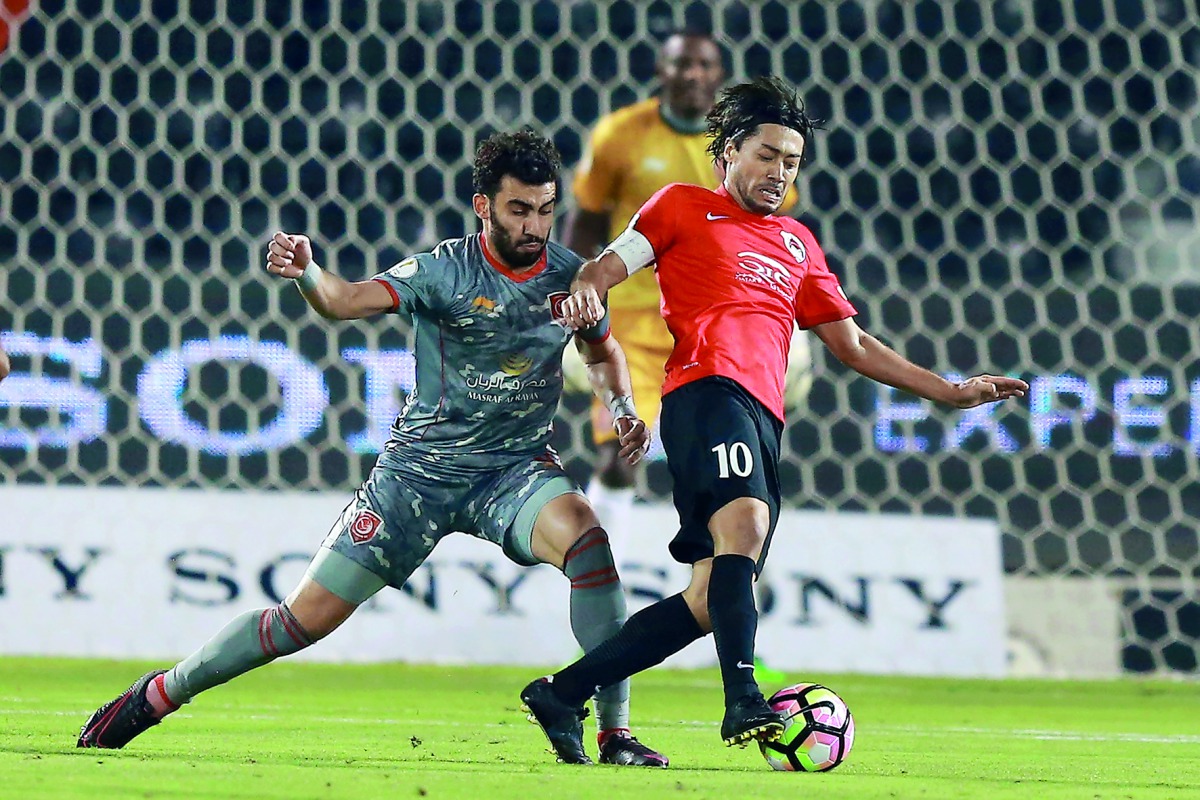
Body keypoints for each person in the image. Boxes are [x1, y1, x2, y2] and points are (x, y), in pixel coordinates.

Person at [77, 130, 668, 768]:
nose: (534, 225)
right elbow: (344, 301)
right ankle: (160, 693)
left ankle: (615, 735)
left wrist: (624, 408)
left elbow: (602, 351)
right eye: (519, 210)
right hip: (417, 477)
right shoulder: (442, 270)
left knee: (589, 545)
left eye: (545, 209)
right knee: (299, 621)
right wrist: (307, 272)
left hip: (514, 471)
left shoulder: (566, 278)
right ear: (483, 207)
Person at [519, 77, 1029, 753]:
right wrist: (585, 290)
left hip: (764, 417)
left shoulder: (797, 243)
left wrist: (948, 390)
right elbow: (608, 266)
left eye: (790, 162)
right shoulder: (681, 207)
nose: (778, 172)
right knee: (747, 522)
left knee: (706, 600)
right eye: (766, 155)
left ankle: (561, 694)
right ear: (729, 153)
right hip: (706, 395)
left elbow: (852, 343)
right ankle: (743, 699)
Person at [564, 30, 810, 556]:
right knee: (618, 458)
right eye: (682, 64)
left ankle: (720, 599)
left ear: (717, 75)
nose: (692, 75)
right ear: (662, 70)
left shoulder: (753, 147)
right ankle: (598, 596)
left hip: (715, 328)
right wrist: (580, 286)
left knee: (727, 472)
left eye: (703, 65)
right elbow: (583, 222)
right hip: (631, 324)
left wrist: (787, 316)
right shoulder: (621, 135)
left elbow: (776, 235)